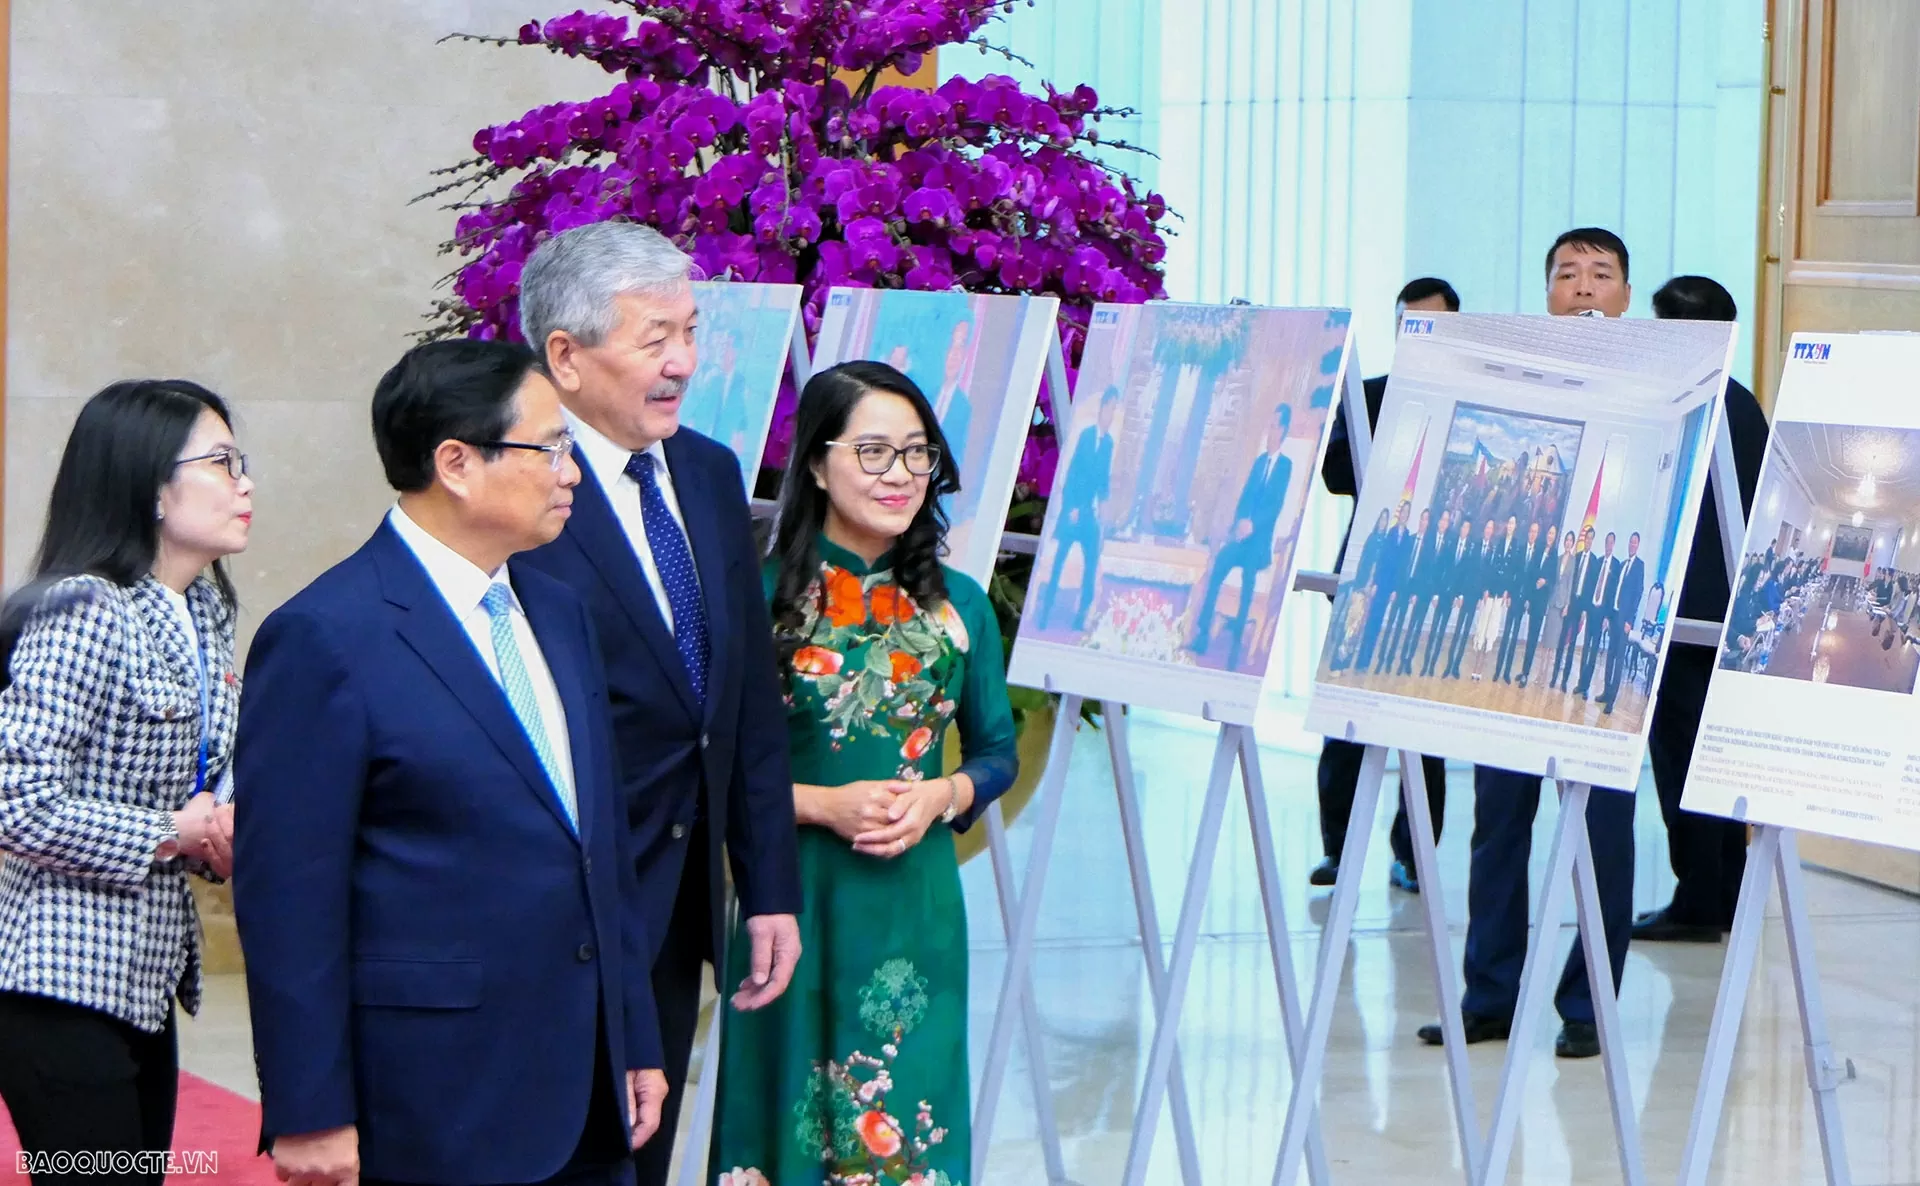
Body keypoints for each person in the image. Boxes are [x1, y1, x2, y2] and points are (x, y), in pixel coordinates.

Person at [233, 340, 665, 1186]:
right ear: (457, 464)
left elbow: (599, 846)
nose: (572, 472)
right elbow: (290, 899)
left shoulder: (559, 610)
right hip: (436, 1101)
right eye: (552, 448)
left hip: (587, 1089)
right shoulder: (327, 636)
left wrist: (636, 1035)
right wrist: (310, 1109)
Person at [513, 220, 804, 1186]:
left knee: (646, 1148)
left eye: (689, 332)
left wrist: (764, 886)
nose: (683, 361)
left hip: (680, 903)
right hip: (555, 905)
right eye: (655, 339)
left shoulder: (711, 473)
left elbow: (746, 703)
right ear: (566, 355)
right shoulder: (516, 494)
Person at [708, 361, 1017, 1185]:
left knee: (908, 1118)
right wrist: (821, 804)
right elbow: (714, 764)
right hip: (790, 895)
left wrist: (942, 795)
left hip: (914, 905)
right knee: (785, 1118)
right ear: (815, 462)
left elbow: (997, 753)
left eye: (917, 454)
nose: (900, 477)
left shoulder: (959, 606)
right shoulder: (759, 598)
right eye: (873, 452)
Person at [0, 381, 249, 1182]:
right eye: (221, 463)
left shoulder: (203, 611)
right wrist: (175, 833)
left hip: (141, 976)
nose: (245, 484)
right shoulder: (84, 608)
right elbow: (16, 800)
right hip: (56, 976)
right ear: (150, 487)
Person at [1419, 227, 1638, 1060]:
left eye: (1601, 274)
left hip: (1601, 647)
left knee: (1600, 830)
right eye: (1566, 273)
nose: (1583, 287)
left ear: (1625, 291)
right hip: (1508, 634)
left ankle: (1590, 1007)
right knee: (1498, 819)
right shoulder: (1516, 384)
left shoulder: (1667, 385)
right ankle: (1488, 994)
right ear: (1545, 289)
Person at [1634, 275, 1769, 943]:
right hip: (1734, 612)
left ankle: (1697, 899)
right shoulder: (1743, 404)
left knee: (1683, 758)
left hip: (1685, 614)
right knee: (1714, 760)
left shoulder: (1683, 406)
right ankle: (1722, 894)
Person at [1314, 277, 1458, 892]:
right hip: (1368, 577)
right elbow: (1334, 472)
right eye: (1411, 326)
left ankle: (1416, 854)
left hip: (1436, 585)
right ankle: (1336, 851)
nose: (1421, 337)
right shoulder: (1368, 395)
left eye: (1434, 326)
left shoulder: (1471, 400)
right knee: (1346, 725)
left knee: (1423, 734)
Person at [1192, 403, 1297, 664]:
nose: (1270, 431)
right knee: (1219, 566)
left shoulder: (1285, 466)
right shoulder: (1259, 461)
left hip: (1260, 543)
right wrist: (1240, 523)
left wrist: (1253, 524)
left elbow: (1275, 506)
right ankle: (1203, 633)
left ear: (1282, 430)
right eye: (1269, 425)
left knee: (1250, 573)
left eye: (1274, 426)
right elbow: (1245, 497)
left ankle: (1236, 644)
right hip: (1242, 537)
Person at [1038, 385, 1120, 631]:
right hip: (1072, 510)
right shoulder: (1086, 435)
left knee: (1092, 560)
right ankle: (1045, 611)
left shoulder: (1108, 443)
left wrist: (1105, 511)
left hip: (1089, 515)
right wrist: (1071, 507)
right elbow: (1072, 473)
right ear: (1101, 408)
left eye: (1114, 409)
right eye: (1109, 407)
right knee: (1060, 557)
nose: (1111, 413)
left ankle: (1081, 615)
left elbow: (1103, 481)